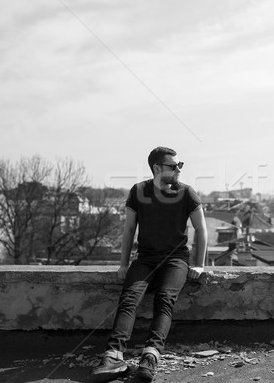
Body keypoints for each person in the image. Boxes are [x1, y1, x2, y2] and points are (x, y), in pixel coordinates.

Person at [90, 146, 207, 383]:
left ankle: (150, 357)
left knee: (164, 299)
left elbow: (201, 230)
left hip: (176, 260)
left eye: (179, 165)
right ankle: (113, 357)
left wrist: (200, 265)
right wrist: (123, 264)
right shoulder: (139, 191)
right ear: (157, 168)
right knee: (129, 298)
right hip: (145, 259)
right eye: (173, 166)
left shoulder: (187, 193)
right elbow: (129, 229)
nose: (178, 170)